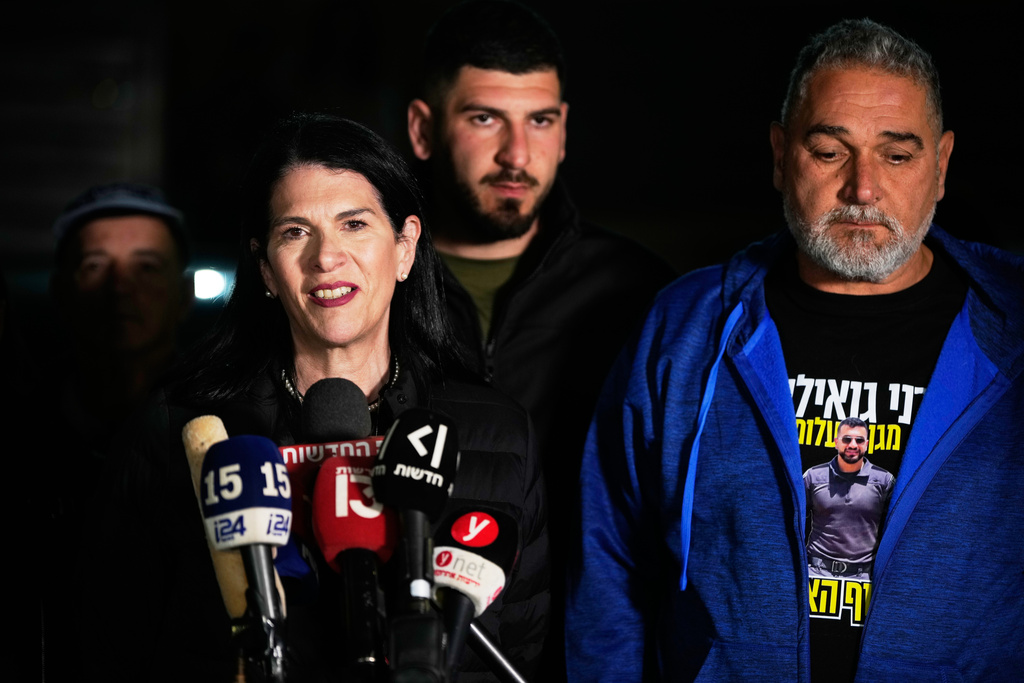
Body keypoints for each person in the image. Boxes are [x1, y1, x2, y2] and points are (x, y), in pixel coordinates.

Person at [569, 18, 1024, 682]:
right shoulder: (689, 328)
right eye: (830, 151)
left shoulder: (1013, 324)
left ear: (942, 165)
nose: (863, 189)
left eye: (897, 155)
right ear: (781, 155)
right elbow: (609, 559)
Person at [87, 114, 548, 682]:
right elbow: (116, 647)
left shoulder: (498, 432)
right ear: (266, 270)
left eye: (354, 224)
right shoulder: (178, 430)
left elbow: (526, 647)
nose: (326, 257)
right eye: (295, 232)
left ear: (404, 248)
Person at [406, 4, 675, 674]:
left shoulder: (637, 291)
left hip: (579, 654)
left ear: (564, 131)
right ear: (423, 129)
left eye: (541, 121)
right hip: (402, 648)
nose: (517, 155)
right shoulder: (362, 282)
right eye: (484, 118)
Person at [42, 183, 193, 682]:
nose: (120, 287)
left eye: (147, 267)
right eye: (94, 266)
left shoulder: (224, 437)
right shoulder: (20, 442)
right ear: (60, 292)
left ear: (184, 294)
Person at [804, 417, 894, 583]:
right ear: (836, 442)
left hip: (863, 578)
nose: (853, 445)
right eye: (847, 439)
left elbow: (894, 531)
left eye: (859, 440)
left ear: (866, 444)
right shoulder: (813, 477)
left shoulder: (885, 480)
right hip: (815, 573)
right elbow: (794, 522)